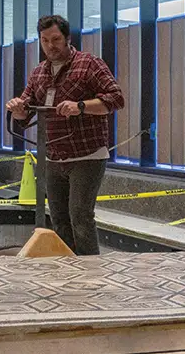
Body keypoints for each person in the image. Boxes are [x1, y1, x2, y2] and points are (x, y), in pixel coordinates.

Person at [7, 15, 124, 255]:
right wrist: (18, 109)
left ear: (68, 38)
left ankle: (89, 269)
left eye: (56, 39)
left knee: (80, 216)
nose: (50, 45)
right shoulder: (39, 73)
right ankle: (67, 267)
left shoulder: (89, 64)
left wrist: (80, 106)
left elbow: (115, 99)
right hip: (53, 156)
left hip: (86, 154)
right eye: (45, 40)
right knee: (58, 218)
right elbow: (25, 113)